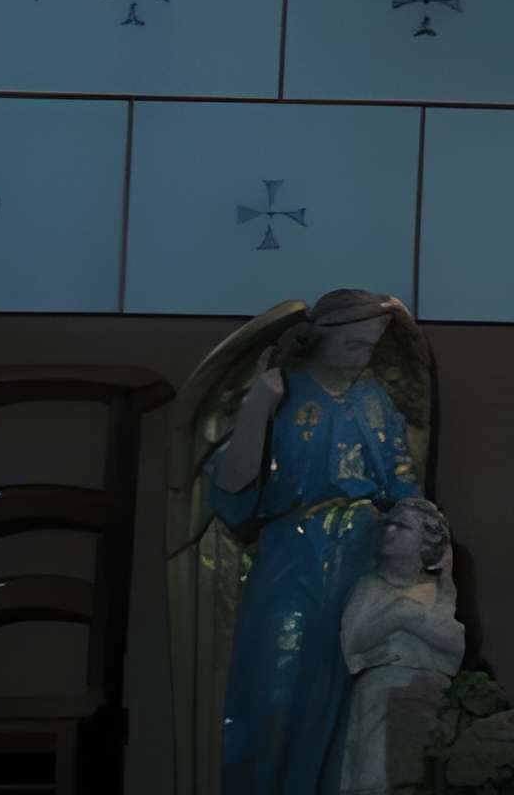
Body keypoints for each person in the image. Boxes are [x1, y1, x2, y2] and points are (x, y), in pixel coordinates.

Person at [206, 292, 430, 795]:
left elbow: (403, 484)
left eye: (371, 346)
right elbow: (232, 491)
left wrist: (420, 533)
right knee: (275, 687)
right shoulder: (284, 390)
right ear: (320, 339)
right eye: (353, 345)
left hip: (363, 557)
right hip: (293, 556)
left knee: (352, 699)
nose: (364, 357)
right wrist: (257, 405)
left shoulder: (374, 400)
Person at [335, 499, 462, 795]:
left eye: (401, 526)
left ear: (425, 542)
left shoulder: (436, 590)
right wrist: (399, 614)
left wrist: (405, 614)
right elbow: (353, 640)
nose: (389, 530)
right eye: (389, 523)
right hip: (379, 699)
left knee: (418, 774)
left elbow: (454, 644)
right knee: (375, 776)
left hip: (427, 699)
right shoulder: (371, 586)